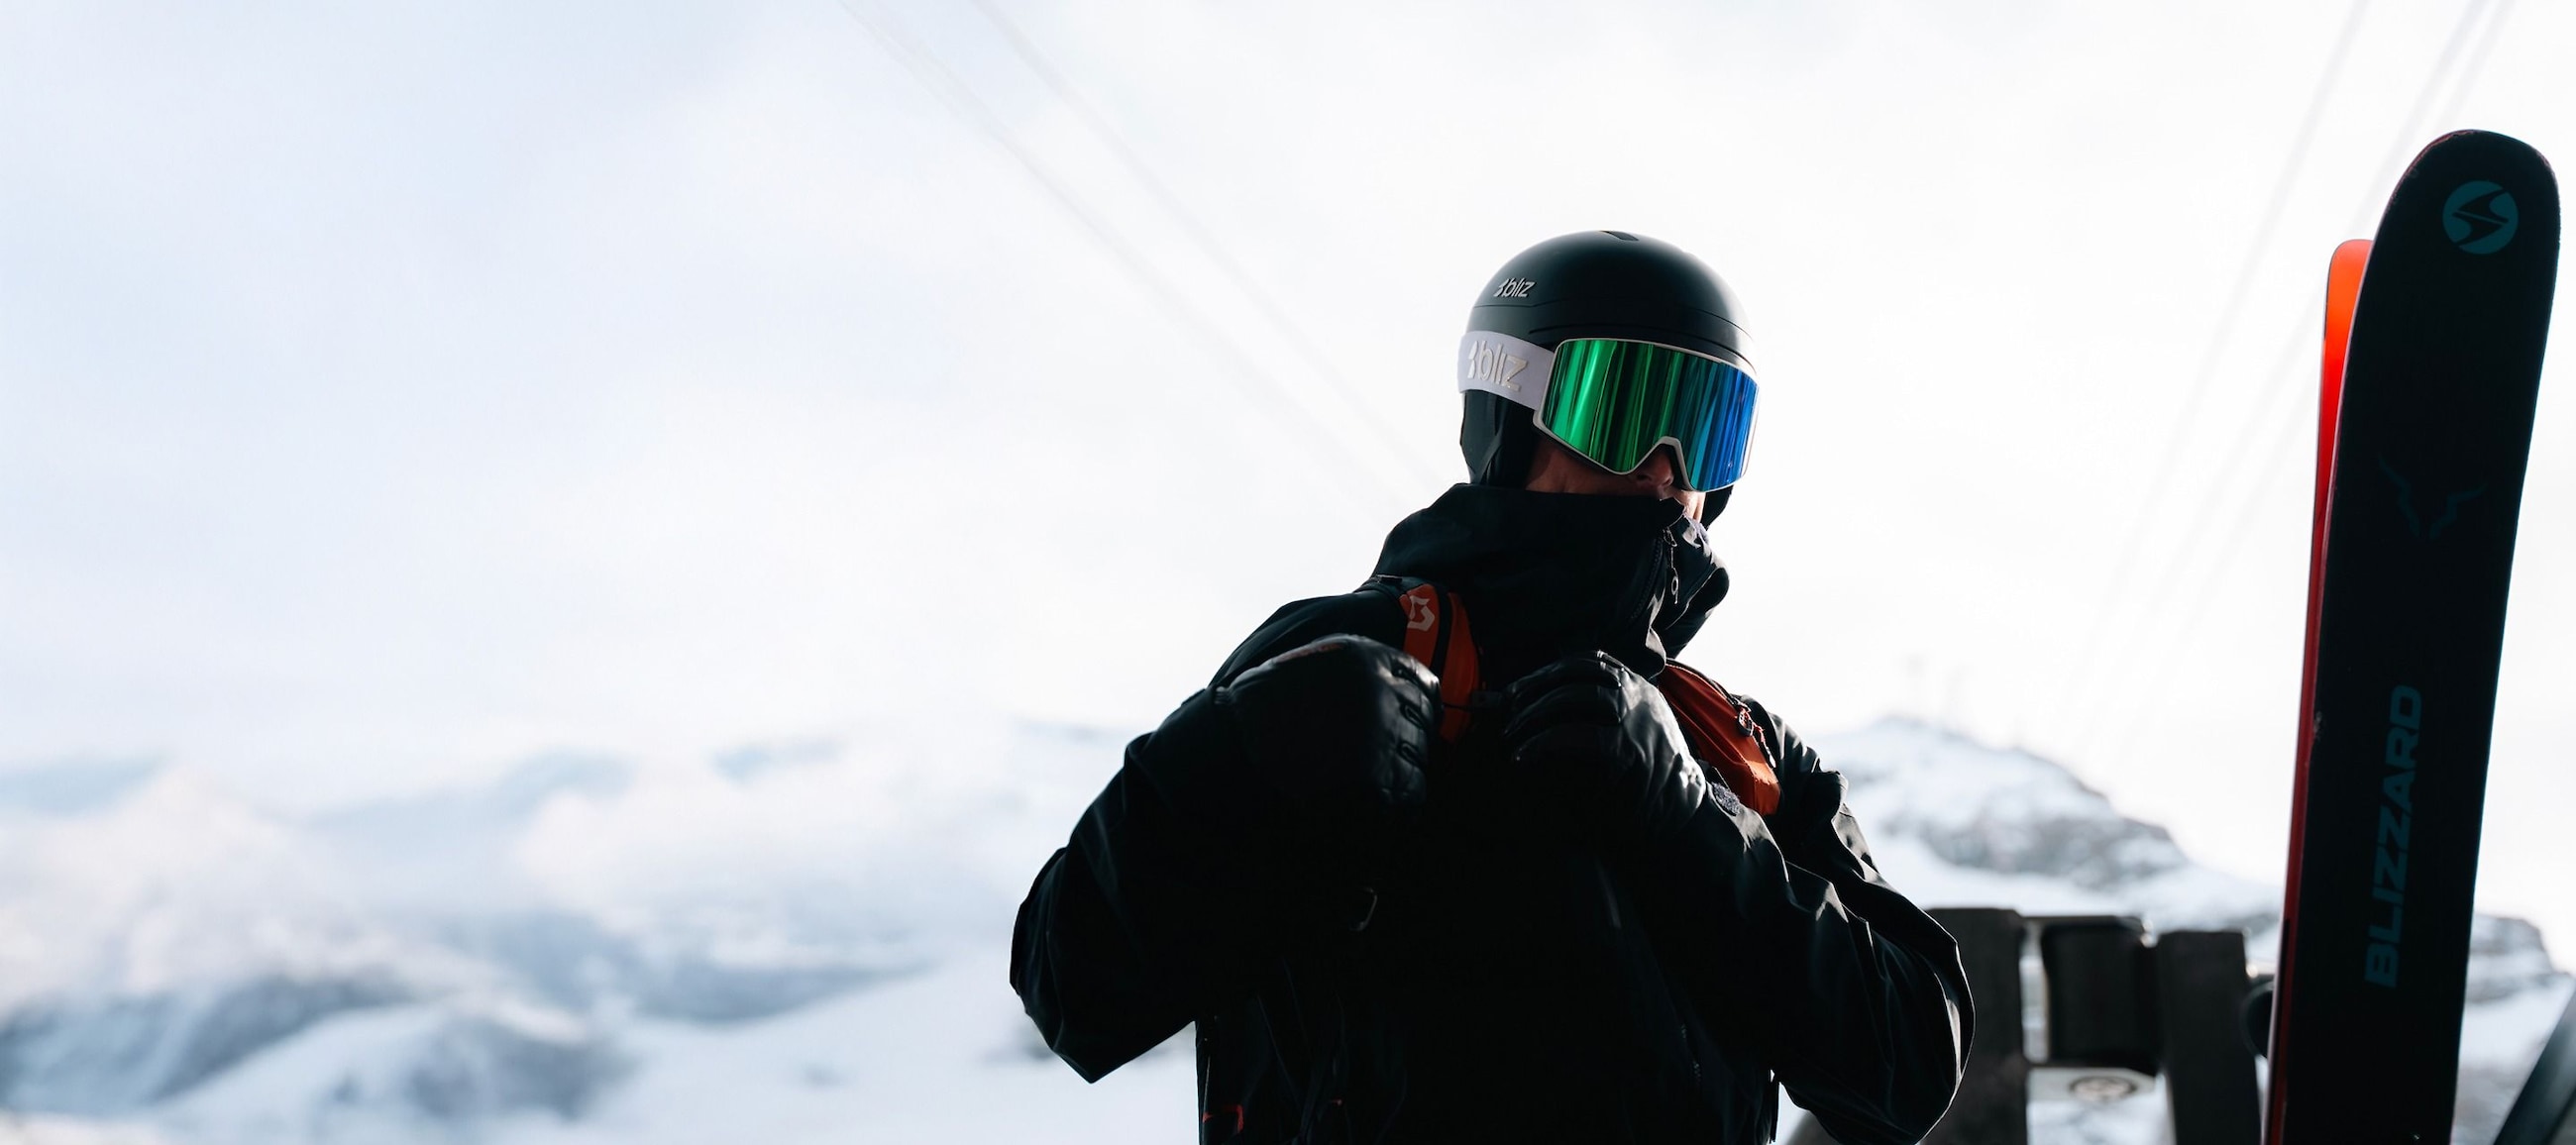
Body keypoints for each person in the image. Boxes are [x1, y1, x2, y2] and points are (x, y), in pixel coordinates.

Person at [1011, 231, 1971, 1144]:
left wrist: (1689, 817)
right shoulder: (1347, 657)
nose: (1666, 468)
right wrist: (1237, 755)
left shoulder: (1732, 745)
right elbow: (1076, 989)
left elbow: (1910, 1070)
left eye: (1709, 429)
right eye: (1623, 409)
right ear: (1509, 415)